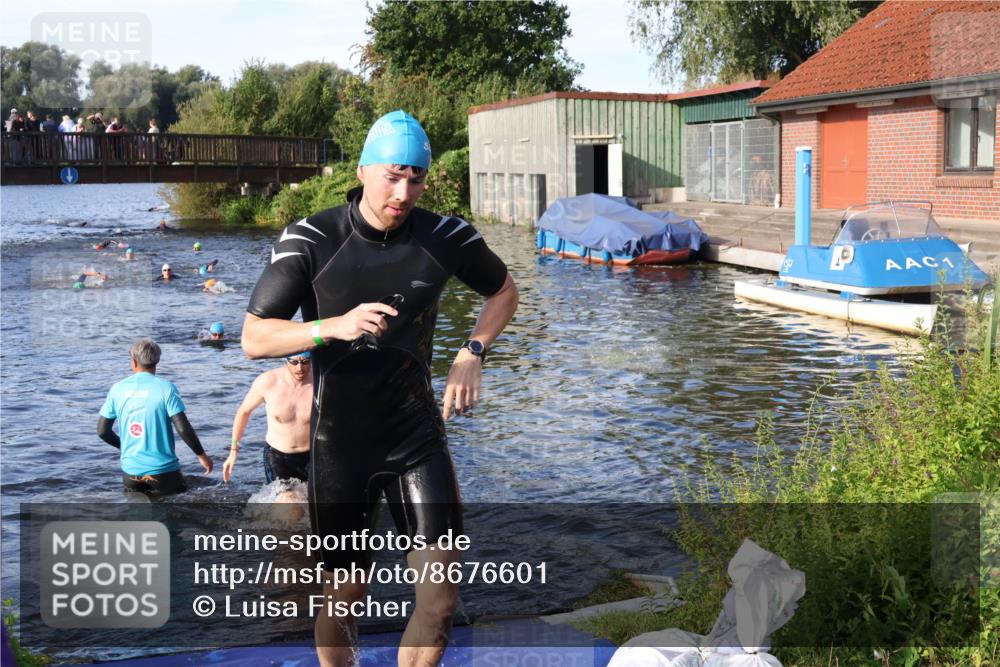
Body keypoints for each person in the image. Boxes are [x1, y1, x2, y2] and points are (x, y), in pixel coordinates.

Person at [242, 109, 518, 667]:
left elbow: (505, 292)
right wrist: (329, 326)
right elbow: (254, 336)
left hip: (416, 433)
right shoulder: (314, 239)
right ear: (364, 170)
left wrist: (473, 351)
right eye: (393, 175)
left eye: (416, 178)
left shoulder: (445, 236)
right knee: (345, 600)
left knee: (440, 599)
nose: (404, 190)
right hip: (339, 443)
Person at [97, 338, 213, 495]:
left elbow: (103, 431)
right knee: (177, 513)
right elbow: (182, 427)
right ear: (156, 361)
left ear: (134, 361)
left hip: (131, 471)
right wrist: (202, 456)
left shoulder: (116, 389)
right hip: (163, 471)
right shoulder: (166, 388)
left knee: (138, 515)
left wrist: (125, 447)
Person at [223, 351, 313, 485]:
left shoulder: (320, 382)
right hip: (278, 457)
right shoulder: (268, 382)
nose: (299, 368)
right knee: (288, 502)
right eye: (294, 362)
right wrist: (233, 451)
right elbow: (243, 412)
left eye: (305, 362)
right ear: (286, 359)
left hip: (313, 456)